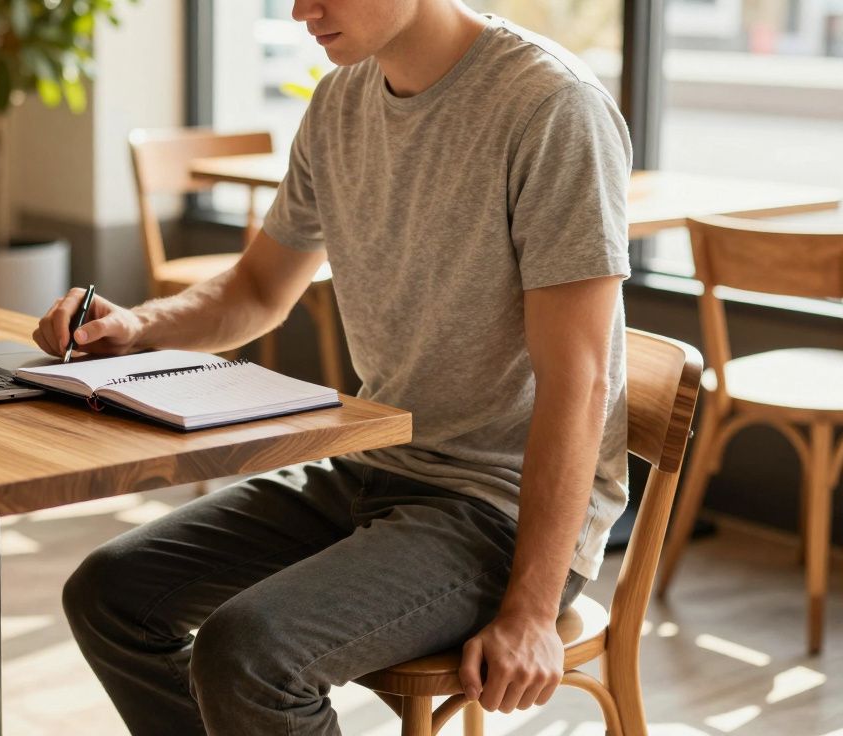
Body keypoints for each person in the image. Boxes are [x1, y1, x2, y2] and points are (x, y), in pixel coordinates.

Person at [32, 0, 631, 732]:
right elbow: (256, 290)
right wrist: (136, 326)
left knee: (247, 655)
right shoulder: (340, 102)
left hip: (498, 508)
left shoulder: (551, 105)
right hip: (375, 462)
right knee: (111, 593)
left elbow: (581, 383)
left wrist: (533, 610)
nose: (299, 10)